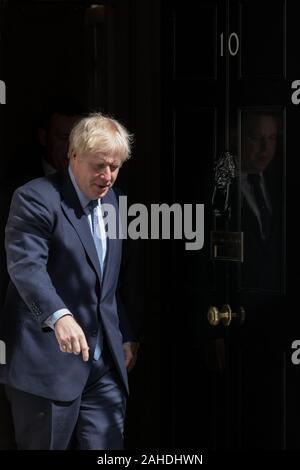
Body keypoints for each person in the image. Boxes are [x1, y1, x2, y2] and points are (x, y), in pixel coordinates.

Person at [0, 112, 140, 450]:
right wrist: (58, 315)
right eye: (99, 166)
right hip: (47, 365)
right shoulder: (35, 198)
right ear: (72, 156)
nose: (107, 176)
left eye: (115, 166)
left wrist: (124, 332)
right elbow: (27, 266)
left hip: (102, 366)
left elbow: (106, 281)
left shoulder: (116, 201)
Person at [241, 111, 283, 290]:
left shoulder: (281, 182)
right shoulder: (217, 185)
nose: (266, 148)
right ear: (237, 137)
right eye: (257, 138)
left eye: (272, 138)